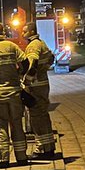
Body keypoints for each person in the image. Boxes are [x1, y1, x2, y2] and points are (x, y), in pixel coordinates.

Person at [0, 21, 27, 167]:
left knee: (0, 126)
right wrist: (19, 74)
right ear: (4, 32)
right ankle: (21, 157)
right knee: (17, 124)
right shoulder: (12, 46)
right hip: (14, 92)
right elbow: (25, 63)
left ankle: (2, 160)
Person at [23, 22, 56, 159]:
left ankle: (41, 148)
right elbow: (51, 58)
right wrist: (44, 70)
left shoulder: (33, 46)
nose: (23, 33)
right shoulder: (42, 43)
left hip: (35, 87)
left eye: (25, 31)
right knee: (43, 115)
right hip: (43, 85)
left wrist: (27, 82)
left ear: (31, 32)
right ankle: (48, 147)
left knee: (36, 118)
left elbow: (33, 64)